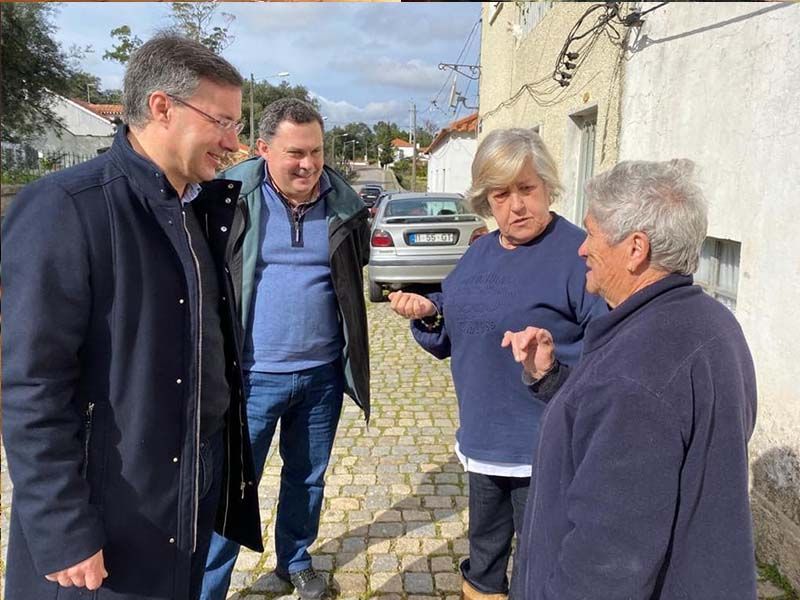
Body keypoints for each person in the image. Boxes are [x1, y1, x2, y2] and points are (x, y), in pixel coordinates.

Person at [2, 34, 263, 600]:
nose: (233, 141)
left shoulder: (197, 210)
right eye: (222, 121)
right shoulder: (66, 207)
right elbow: (31, 384)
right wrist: (62, 528)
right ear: (162, 107)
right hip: (106, 519)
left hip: (184, 499)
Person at [503, 160, 758, 599]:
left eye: (592, 233)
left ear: (635, 248)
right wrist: (552, 379)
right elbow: (636, 437)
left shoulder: (637, 368)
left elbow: (605, 562)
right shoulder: (711, 322)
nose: (582, 249)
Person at [389, 128, 605, 600]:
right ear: (486, 200)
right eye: (500, 194)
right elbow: (458, 320)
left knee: (540, 557)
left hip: (544, 447)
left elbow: (605, 351)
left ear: (548, 186)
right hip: (484, 439)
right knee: (484, 553)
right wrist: (431, 310)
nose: (516, 206)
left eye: (526, 189)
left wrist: (554, 372)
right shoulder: (480, 251)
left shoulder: (578, 255)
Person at [201, 99, 370, 600]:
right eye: (295, 152)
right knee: (232, 489)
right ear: (263, 149)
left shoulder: (344, 205)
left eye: (317, 151)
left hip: (320, 378)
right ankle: (209, 586)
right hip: (248, 378)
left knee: (308, 480)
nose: (309, 164)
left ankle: (294, 561)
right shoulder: (226, 200)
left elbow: (348, 280)